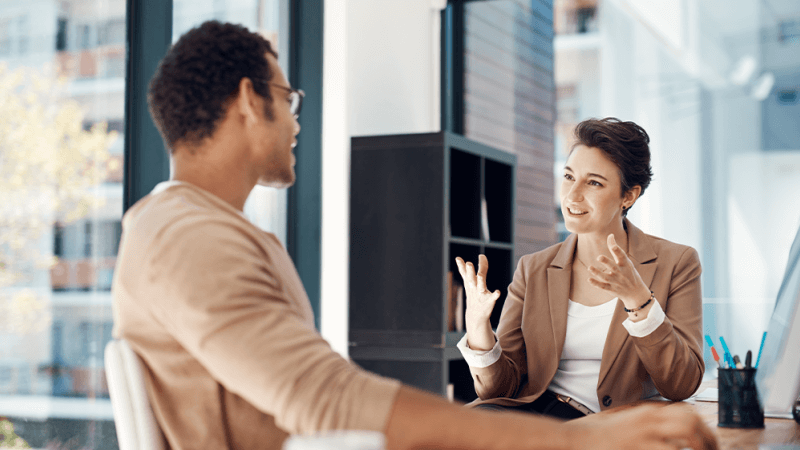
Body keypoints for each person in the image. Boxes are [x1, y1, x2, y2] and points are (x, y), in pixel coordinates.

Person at [112, 21, 718, 450]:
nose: (297, 117)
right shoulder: (185, 235)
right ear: (249, 100)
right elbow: (325, 400)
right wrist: (571, 445)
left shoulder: (207, 230)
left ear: (629, 194)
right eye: (287, 97)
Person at [455, 118, 705, 419]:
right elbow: (501, 390)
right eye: (569, 177)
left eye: (594, 182)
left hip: (610, 427)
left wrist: (639, 300)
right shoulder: (533, 269)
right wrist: (478, 329)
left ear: (629, 196)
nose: (572, 196)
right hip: (537, 417)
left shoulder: (677, 263)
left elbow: (682, 384)